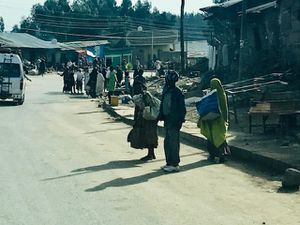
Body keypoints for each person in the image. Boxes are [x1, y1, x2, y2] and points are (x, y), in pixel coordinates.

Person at [158, 70, 186, 172]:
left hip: (174, 121)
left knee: (173, 143)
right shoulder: (166, 90)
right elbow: (163, 105)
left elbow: (182, 109)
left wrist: (179, 121)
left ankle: (174, 164)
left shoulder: (177, 92)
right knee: (167, 143)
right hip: (167, 120)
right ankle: (169, 162)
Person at [197, 78, 229, 163]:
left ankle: (212, 155)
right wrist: (225, 119)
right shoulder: (222, 94)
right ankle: (222, 156)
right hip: (220, 121)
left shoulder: (210, 96)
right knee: (221, 138)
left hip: (211, 121)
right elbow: (224, 108)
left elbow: (206, 108)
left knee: (211, 138)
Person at [128, 73, 158, 161]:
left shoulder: (143, 96)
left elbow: (141, 109)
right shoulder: (144, 95)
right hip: (150, 119)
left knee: (148, 136)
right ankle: (151, 153)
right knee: (150, 136)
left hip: (148, 119)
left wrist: (137, 120)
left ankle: (150, 154)